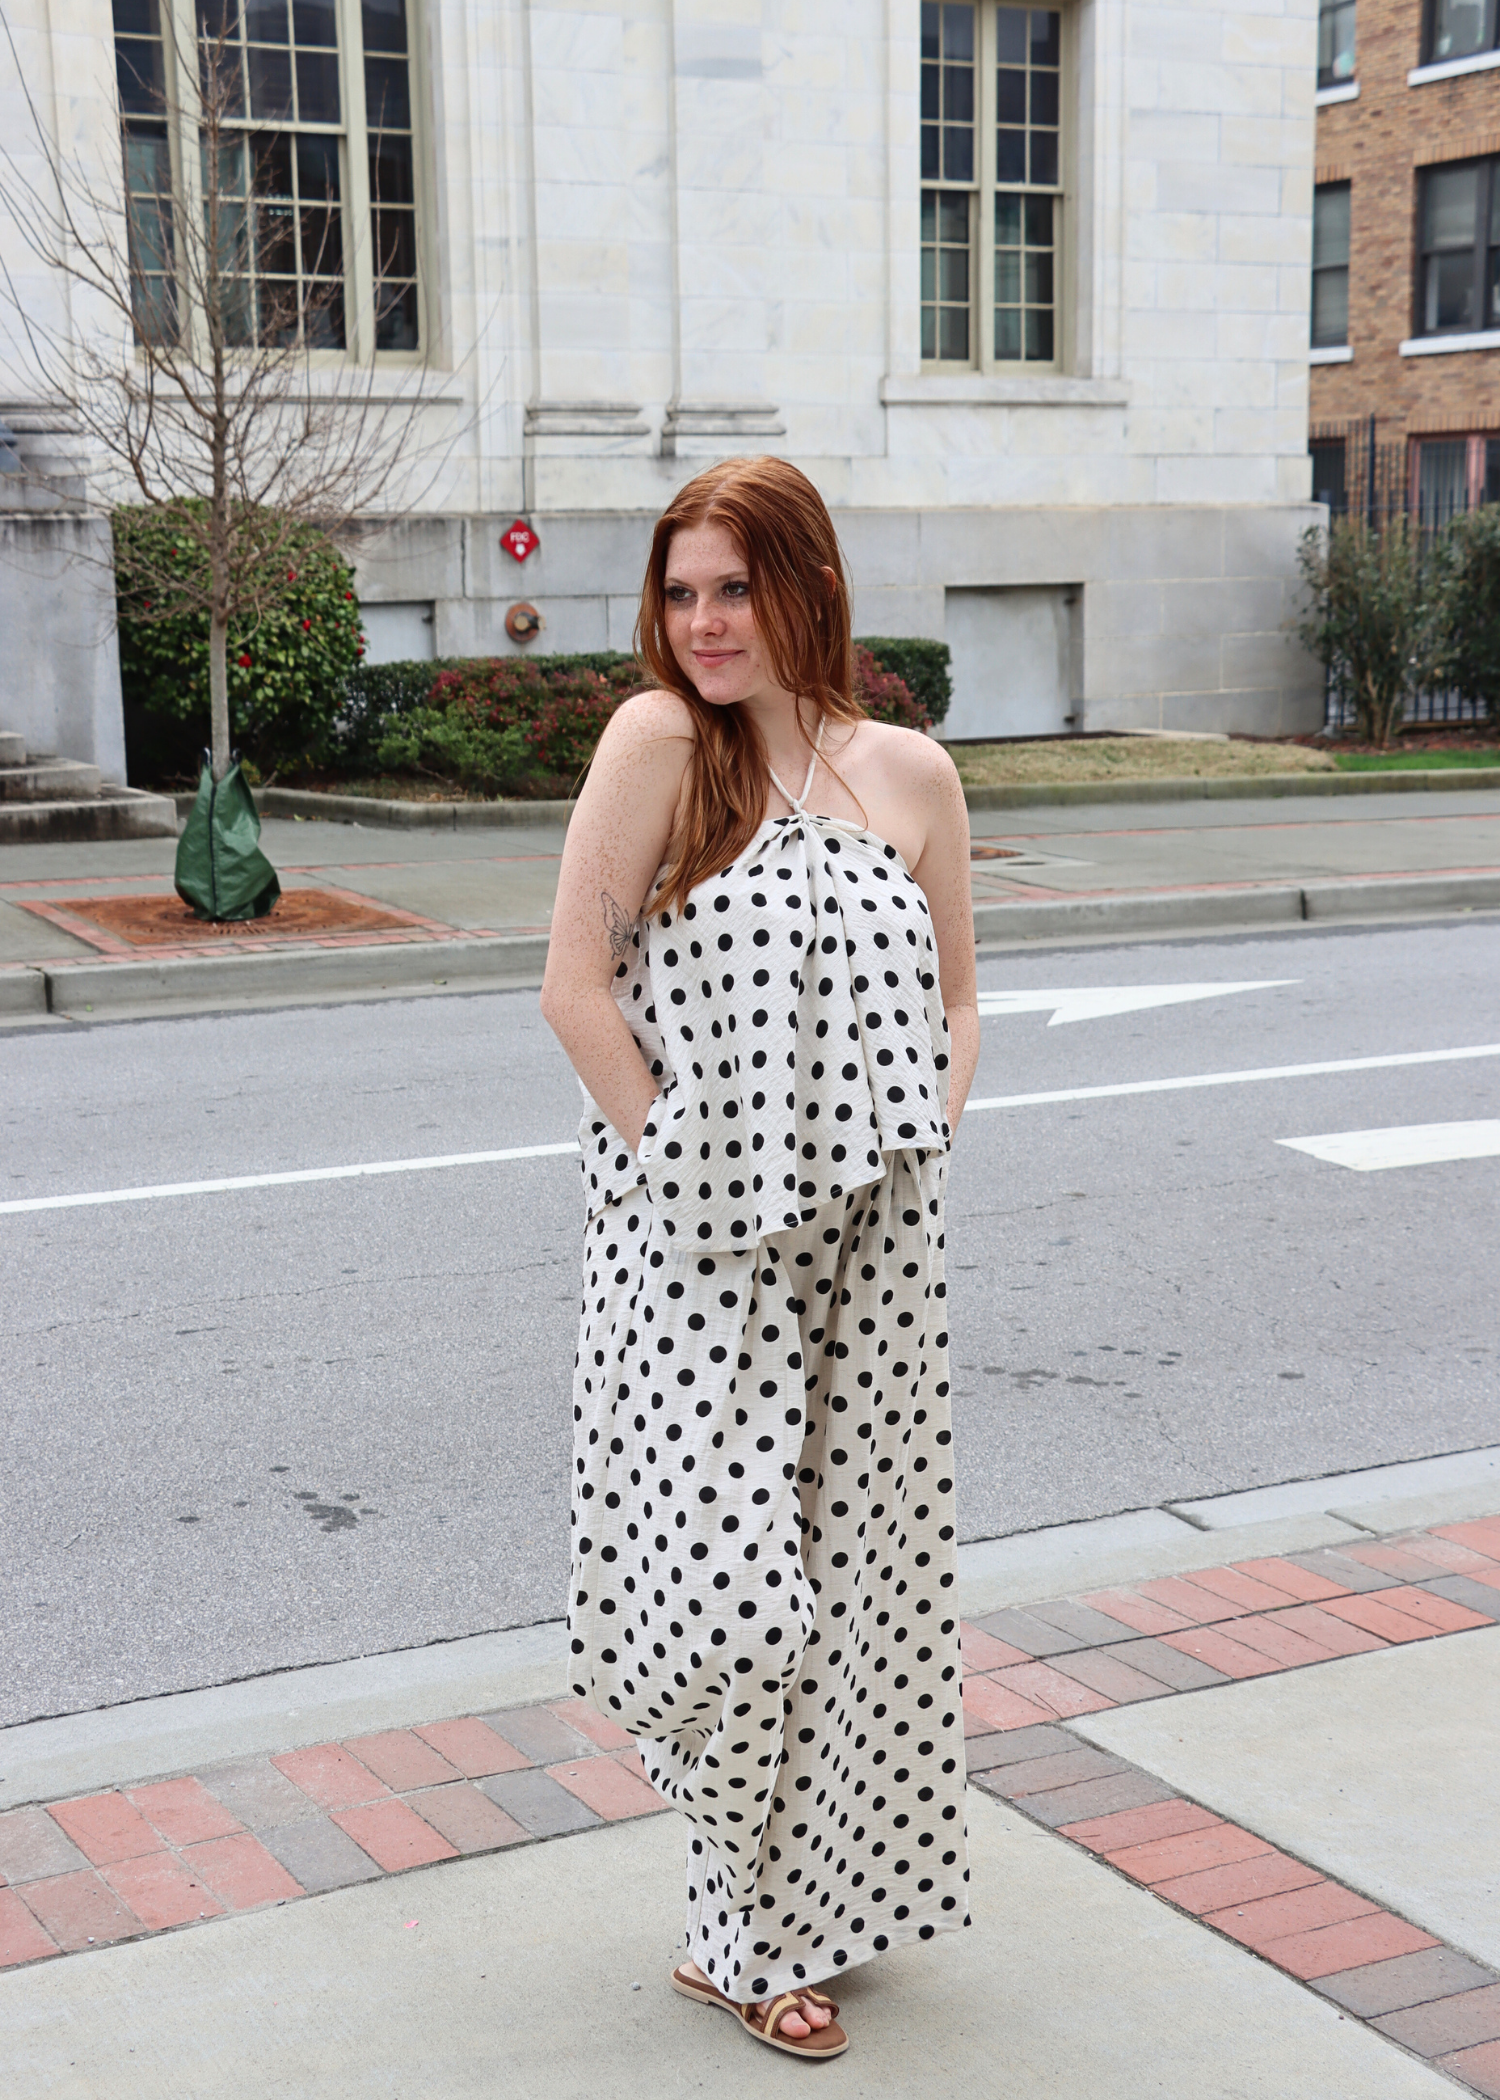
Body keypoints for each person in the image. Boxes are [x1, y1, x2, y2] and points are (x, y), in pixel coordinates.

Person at [539, 457, 978, 2060]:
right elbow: (572, 989)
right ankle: (745, 1916)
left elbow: (960, 1000)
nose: (705, 622)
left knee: (854, 1594)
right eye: (680, 591)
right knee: (731, 1604)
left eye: (734, 585)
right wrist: (684, 1170)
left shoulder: (911, 775)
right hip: (691, 1256)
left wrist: (927, 1110)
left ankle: (763, 1927)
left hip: (872, 1252)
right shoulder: (664, 744)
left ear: (808, 585)